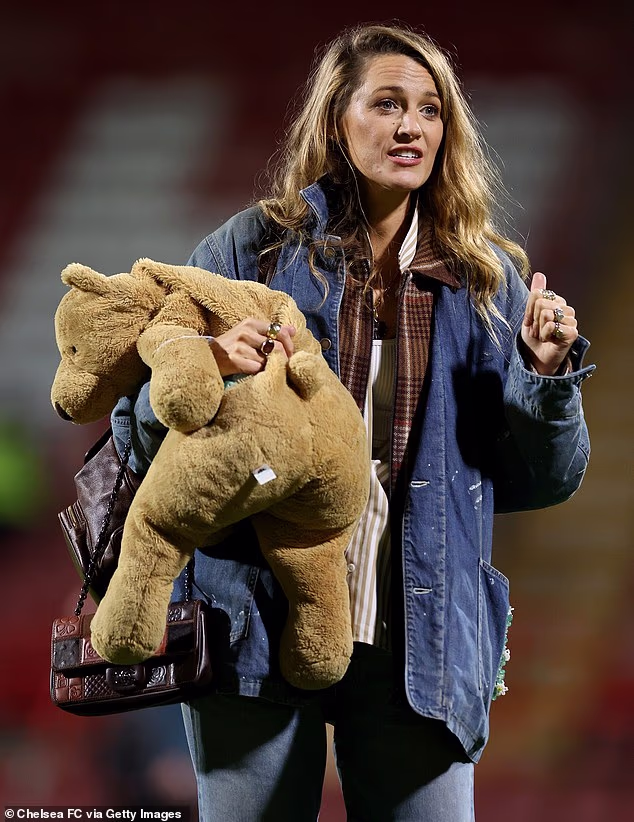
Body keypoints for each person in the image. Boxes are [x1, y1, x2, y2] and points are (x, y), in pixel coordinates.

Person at [111, 22, 595, 822]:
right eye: (388, 104)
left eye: (431, 109)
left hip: (423, 636)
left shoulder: (489, 283)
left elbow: (544, 480)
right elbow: (138, 432)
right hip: (254, 623)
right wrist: (206, 366)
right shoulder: (250, 250)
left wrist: (545, 377)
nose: (412, 126)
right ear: (339, 120)